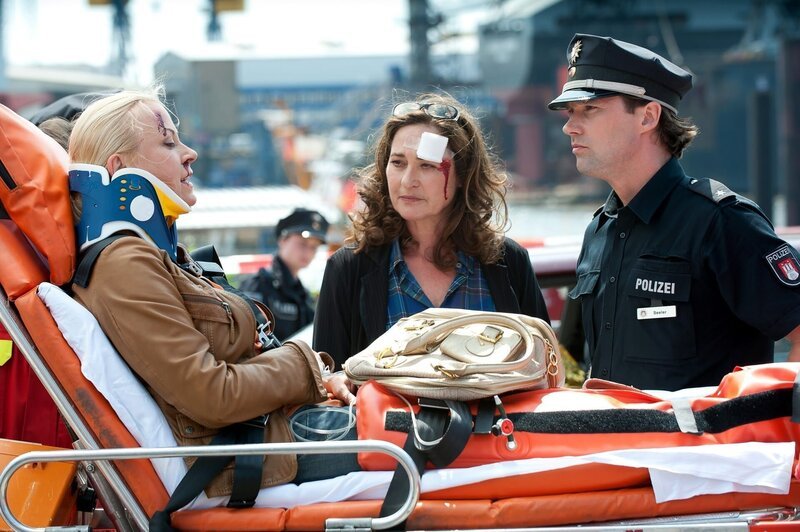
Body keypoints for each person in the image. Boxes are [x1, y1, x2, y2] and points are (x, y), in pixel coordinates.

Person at [66, 87, 358, 502]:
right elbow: (212, 395)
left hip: (263, 438)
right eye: (168, 142)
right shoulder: (124, 263)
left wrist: (318, 379)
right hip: (246, 459)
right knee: (435, 439)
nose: (190, 154)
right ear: (119, 166)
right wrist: (306, 365)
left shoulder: (152, 257)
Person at [548, 33, 800, 391]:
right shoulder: (599, 231)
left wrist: (776, 435)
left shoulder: (721, 222)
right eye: (571, 112)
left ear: (647, 116)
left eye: (590, 109)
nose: (569, 126)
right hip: (609, 445)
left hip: (702, 447)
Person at [313, 93, 550, 368]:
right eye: (398, 163)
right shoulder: (349, 270)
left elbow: (542, 367)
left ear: (463, 176)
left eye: (427, 165)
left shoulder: (508, 262)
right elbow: (325, 385)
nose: (408, 181)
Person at [239, 208, 329, 340]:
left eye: (314, 247)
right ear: (282, 240)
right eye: (302, 243)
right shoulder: (258, 285)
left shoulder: (304, 296)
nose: (308, 252)